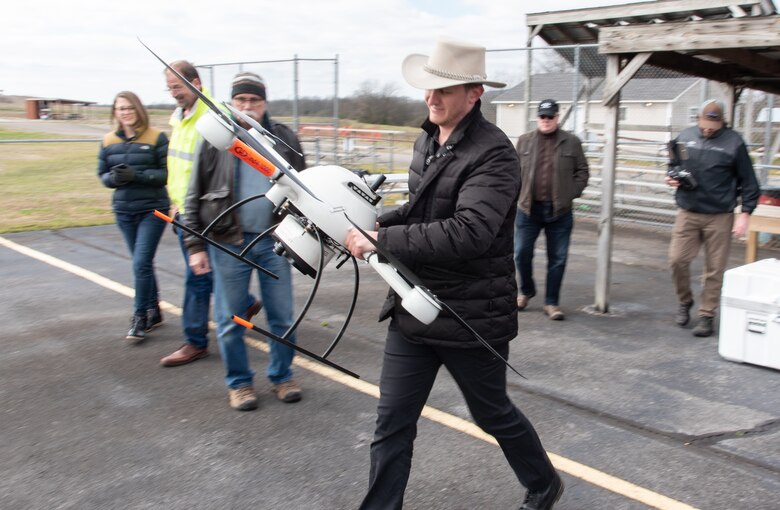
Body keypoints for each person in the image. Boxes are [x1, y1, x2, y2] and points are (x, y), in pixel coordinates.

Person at [344, 37, 563, 510]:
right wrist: (377, 221)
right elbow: (422, 210)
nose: (432, 98)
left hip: (470, 314)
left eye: (445, 90)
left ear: (474, 93)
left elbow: (469, 233)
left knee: (492, 414)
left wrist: (380, 242)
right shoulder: (428, 139)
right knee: (392, 420)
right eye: (429, 88)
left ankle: (544, 483)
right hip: (415, 304)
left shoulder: (496, 155)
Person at [183, 72, 306, 411]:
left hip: (274, 241)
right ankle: (239, 383)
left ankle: (282, 376)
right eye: (241, 101)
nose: (248, 107)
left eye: (254, 100)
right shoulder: (214, 137)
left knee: (282, 317)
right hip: (228, 242)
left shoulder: (284, 138)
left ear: (265, 102)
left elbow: (305, 190)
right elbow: (192, 194)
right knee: (229, 319)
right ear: (232, 103)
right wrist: (195, 246)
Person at [159, 61, 260, 367]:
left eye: (178, 87)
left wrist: (196, 212)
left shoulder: (213, 115)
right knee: (212, 276)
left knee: (198, 278)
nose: (174, 93)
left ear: (196, 83)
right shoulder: (181, 118)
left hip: (206, 214)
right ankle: (245, 303)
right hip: (183, 211)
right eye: (170, 88)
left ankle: (195, 341)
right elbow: (181, 165)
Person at [666, 99, 760, 337]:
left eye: (713, 125)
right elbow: (674, 164)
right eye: (705, 123)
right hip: (688, 210)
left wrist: (745, 214)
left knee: (714, 268)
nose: (708, 129)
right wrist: (671, 177)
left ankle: (707, 315)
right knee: (677, 259)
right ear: (698, 118)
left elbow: (749, 182)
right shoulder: (685, 136)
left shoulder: (733, 143)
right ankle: (684, 301)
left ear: (722, 122)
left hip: (719, 214)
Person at [97, 91, 169, 343]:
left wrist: (136, 176)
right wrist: (113, 179)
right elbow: (102, 174)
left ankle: (139, 316)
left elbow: (164, 174)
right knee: (143, 264)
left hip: (153, 209)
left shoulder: (157, 137)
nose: (125, 112)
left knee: (140, 263)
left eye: (129, 108)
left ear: (138, 109)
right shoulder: (108, 141)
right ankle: (155, 310)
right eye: (120, 109)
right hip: (124, 210)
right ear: (114, 112)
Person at [514, 99, 589, 320]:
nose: (546, 120)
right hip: (528, 209)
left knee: (558, 258)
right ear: (537, 118)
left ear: (557, 117)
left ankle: (551, 303)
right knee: (521, 253)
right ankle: (526, 291)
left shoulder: (571, 142)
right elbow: (512, 170)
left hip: (560, 211)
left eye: (550, 116)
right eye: (542, 116)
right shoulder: (524, 141)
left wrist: (570, 194)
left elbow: (582, 172)